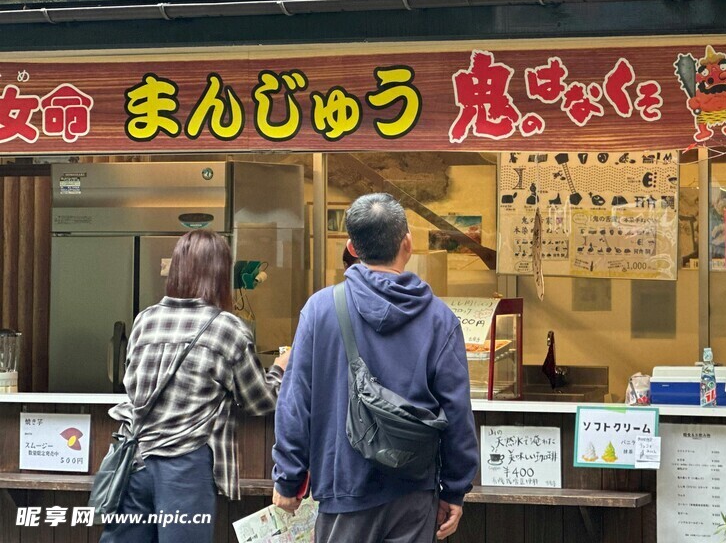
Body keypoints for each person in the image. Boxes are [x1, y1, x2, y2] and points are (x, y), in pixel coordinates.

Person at [273, 192, 477, 542]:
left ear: (352, 247)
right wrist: (453, 490)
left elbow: (295, 402)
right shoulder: (439, 319)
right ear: (407, 244)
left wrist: (289, 477)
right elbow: (457, 411)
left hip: (342, 489)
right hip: (414, 492)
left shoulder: (320, 310)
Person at [102, 229, 289, 543]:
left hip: (132, 460)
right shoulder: (227, 328)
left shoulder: (144, 320)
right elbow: (260, 402)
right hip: (183, 466)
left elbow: (132, 384)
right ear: (219, 275)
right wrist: (281, 370)